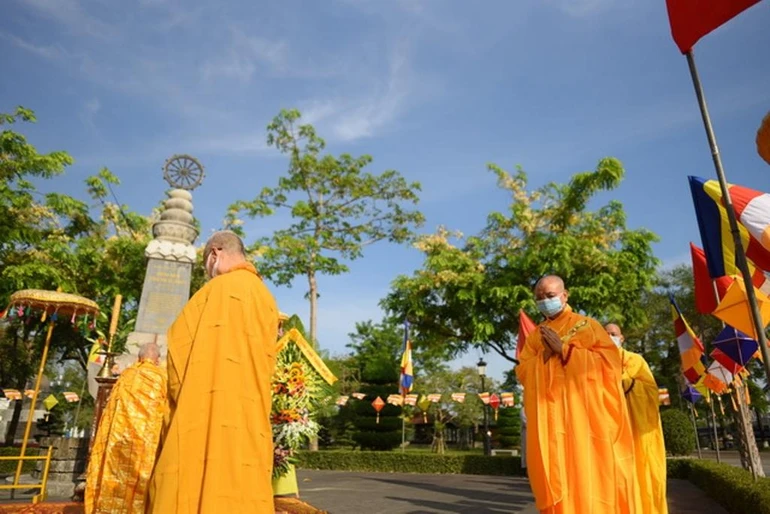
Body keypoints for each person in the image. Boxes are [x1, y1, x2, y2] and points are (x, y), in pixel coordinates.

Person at [147, 230, 279, 513]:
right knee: (245, 480)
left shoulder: (215, 290)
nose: (208, 273)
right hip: (250, 414)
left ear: (215, 254)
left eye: (207, 265)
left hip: (206, 412)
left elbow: (178, 361)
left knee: (194, 479)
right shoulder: (266, 298)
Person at [515, 275, 637, 514]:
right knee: (554, 472)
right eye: (539, 298)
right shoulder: (535, 336)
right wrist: (546, 356)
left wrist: (565, 351)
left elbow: (610, 365)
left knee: (586, 474)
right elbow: (523, 371)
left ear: (564, 295)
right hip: (550, 422)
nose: (545, 301)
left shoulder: (587, 326)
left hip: (584, 421)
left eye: (550, 296)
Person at [85, 342, 167, 514]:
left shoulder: (126, 376)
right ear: (157, 360)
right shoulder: (162, 378)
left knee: (115, 479)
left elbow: (108, 413)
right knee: (142, 481)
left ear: (139, 358)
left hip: (119, 442)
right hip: (146, 446)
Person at [605, 323, 668, 514]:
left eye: (613, 334)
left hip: (637, 431)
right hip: (610, 432)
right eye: (605, 334)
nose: (609, 337)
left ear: (622, 338)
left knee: (641, 477)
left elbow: (651, 391)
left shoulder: (636, 360)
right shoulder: (594, 363)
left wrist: (626, 381)